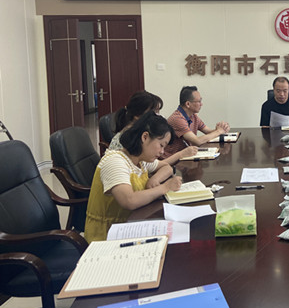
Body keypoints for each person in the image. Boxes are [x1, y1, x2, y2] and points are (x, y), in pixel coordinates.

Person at [84, 112, 183, 242]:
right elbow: (129, 200)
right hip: (107, 236)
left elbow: (167, 167)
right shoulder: (115, 161)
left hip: (132, 225)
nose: (162, 152)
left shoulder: (140, 160)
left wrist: (155, 179)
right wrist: (165, 187)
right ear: (145, 137)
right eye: (161, 145)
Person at [163, 86, 230, 157]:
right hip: (173, 159)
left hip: (186, 156)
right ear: (188, 104)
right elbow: (197, 141)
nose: (201, 104)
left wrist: (222, 128)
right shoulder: (177, 119)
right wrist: (218, 131)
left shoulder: (193, 116)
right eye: (199, 101)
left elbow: (208, 132)